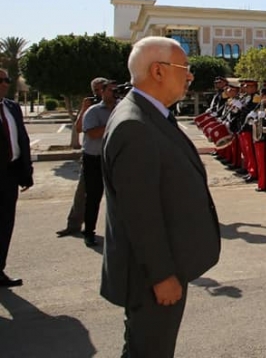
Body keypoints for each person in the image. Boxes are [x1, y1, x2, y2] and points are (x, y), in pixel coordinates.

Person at [101, 36, 220, 357]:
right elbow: (140, 214)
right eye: (185, 68)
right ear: (158, 71)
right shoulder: (134, 125)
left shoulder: (147, 113)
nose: (190, 76)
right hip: (149, 276)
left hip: (160, 264)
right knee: (149, 350)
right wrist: (162, 275)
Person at [57, 77, 108, 237]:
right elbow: (79, 129)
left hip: (111, 157)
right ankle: (74, 225)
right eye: (96, 91)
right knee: (83, 194)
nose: (100, 93)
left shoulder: (116, 106)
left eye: (103, 89)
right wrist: (84, 109)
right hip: (91, 157)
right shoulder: (91, 108)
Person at [0, 67, 33, 288]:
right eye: (3, 80)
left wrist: (26, 172)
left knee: (4, 224)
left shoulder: (12, 107)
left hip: (9, 174)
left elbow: (22, 139)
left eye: (7, 80)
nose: (6, 83)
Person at [81, 80, 118, 247]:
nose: (114, 93)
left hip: (114, 159)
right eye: (111, 90)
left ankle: (119, 233)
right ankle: (89, 232)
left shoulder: (121, 109)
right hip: (94, 158)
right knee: (93, 197)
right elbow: (93, 133)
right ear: (102, 92)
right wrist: (115, 122)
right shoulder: (93, 111)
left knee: (119, 197)